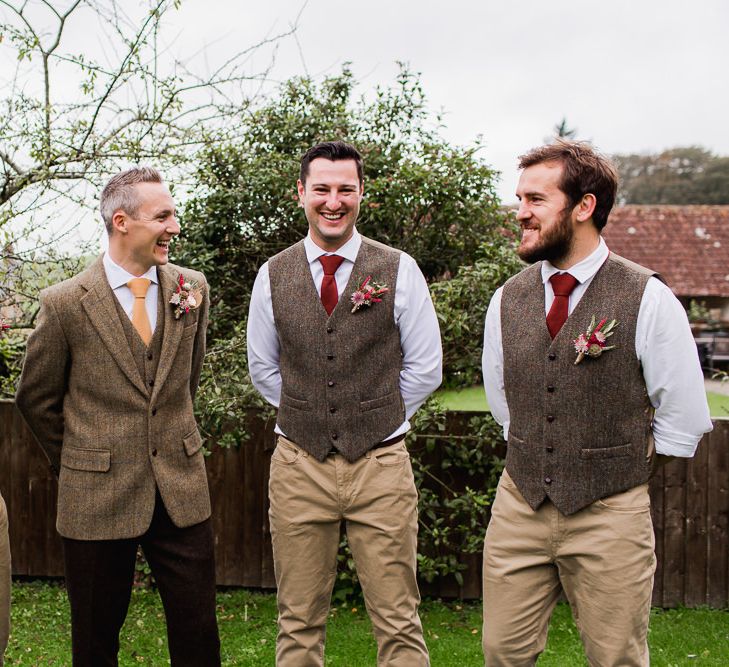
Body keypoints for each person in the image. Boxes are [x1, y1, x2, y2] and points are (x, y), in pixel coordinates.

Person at [481, 140, 712, 666]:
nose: (521, 213)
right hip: (519, 504)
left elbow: (682, 416)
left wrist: (614, 471)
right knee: (501, 652)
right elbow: (504, 402)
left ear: (584, 207)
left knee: (617, 658)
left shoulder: (647, 297)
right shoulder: (506, 299)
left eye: (536, 200)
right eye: (520, 199)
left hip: (611, 512)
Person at [15, 167, 220, 666]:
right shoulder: (63, 303)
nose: (175, 227)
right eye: (163, 217)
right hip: (95, 495)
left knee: (198, 636)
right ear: (122, 221)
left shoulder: (192, 288)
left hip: (181, 487)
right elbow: (35, 398)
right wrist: (83, 458)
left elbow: (185, 382)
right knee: (95, 638)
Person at [247, 140, 442, 666]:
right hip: (297, 466)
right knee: (297, 620)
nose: (334, 201)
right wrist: (311, 412)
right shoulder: (273, 274)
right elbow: (263, 369)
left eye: (345, 189)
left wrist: (372, 416)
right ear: (301, 193)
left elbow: (425, 368)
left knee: (399, 619)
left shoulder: (399, 269)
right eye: (322, 189)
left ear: (361, 195)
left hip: (380, 466)